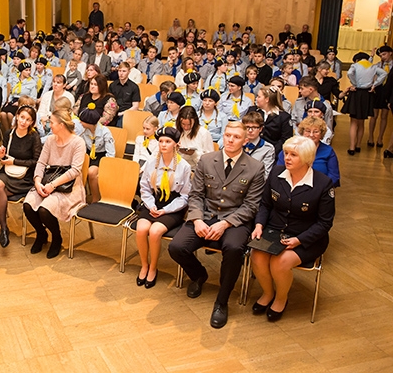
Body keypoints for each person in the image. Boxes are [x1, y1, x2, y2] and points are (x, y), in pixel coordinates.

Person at [168, 122, 266, 328]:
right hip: (205, 215)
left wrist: (225, 224)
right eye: (227, 135)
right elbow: (196, 195)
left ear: (245, 141)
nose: (230, 140)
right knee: (176, 247)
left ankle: (222, 300)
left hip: (235, 220)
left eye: (236, 137)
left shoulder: (255, 167)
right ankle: (198, 275)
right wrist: (197, 220)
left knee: (234, 249)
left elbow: (251, 206)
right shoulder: (206, 160)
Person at [250, 136, 335, 322]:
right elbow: (265, 204)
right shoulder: (276, 173)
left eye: (293, 155)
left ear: (306, 158)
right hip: (275, 230)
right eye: (286, 153)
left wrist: (299, 240)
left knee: (280, 262)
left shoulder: (323, 184)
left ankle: (281, 299)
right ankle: (268, 293)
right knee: (257, 256)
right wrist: (259, 225)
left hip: (306, 236)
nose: (287, 158)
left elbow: (325, 223)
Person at [24, 108, 87, 258]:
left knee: (44, 209)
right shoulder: (51, 140)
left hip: (69, 187)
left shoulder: (78, 142)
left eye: (51, 122)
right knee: (28, 205)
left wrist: (53, 185)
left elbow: (74, 171)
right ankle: (41, 233)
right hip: (48, 181)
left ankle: (56, 237)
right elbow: (41, 163)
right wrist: (37, 181)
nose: (48, 125)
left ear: (61, 125)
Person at [0, 106, 42, 249]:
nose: (24, 122)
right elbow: (5, 158)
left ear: (32, 122)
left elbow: (36, 162)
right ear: (17, 116)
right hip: (7, 172)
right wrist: (1, 156)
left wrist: (15, 161)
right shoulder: (9, 134)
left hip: (25, 177)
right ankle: (3, 229)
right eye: (22, 117)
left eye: (28, 120)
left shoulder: (34, 137)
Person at [135, 127, 192, 288]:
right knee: (141, 229)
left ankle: (153, 268)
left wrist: (166, 210)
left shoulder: (184, 166)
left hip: (173, 206)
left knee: (154, 232)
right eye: (161, 141)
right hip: (154, 202)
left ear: (176, 144)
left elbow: (185, 196)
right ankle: (144, 265)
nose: (163, 145)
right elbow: (145, 188)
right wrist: (151, 205)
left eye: (168, 141)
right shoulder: (152, 162)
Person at [341, 51, 388, 155]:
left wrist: (354, 83)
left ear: (357, 60)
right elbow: (384, 73)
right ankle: (358, 145)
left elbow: (349, 73)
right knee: (361, 122)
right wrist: (375, 84)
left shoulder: (355, 65)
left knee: (353, 122)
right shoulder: (373, 66)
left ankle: (352, 147)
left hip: (356, 92)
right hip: (367, 94)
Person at [277, 117, 340, 187]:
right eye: (308, 131)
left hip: (320, 188)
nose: (311, 135)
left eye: (316, 132)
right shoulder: (290, 148)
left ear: (321, 134)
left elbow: (334, 176)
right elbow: (279, 170)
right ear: (302, 132)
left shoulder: (328, 151)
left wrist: (319, 189)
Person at [75, 105, 116, 203]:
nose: (80, 123)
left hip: (101, 156)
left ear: (89, 123)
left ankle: (95, 199)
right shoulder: (83, 130)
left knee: (92, 172)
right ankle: (79, 198)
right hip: (87, 154)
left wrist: (107, 166)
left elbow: (111, 153)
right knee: (76, 169)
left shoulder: (105, 132)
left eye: (82, 121)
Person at [246, 85, 293, 155]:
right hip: (250, 149)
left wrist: (272, 151)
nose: (256, 99)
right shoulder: (252, 111)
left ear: (267, 99)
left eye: (259, 97)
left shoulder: (283, 117)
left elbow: (285, 139)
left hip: (273, 152)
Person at [368, 46, 393, 148]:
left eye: (384, 54)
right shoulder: (378, 65)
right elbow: (368, 69)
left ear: (390, 53)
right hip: (377, 91)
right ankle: (370, 137)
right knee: (374, 115)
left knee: (384, 116)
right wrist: (371, 57)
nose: (383, 57)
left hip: (388, 92)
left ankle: (380, 138)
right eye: (381, 55)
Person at [176, 106, 215, 171]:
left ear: (195, 121)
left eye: (189, 124)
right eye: (183, 124)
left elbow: (209, 161)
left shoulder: (203, 133)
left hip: (197, 169)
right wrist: (175, 149)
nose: (186, 127)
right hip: (178, 168)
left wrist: (194, 154)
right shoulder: (175, 130)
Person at [241, 111, 276, 179]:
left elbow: (265, 174)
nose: (250, 130)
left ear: (260, 129)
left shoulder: (268, 148)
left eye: (254, 127)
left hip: (255, 182)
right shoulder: (237, 144)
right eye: (247, 127)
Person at [109, 62, 141, 126]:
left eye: (124, 71)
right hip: (113, 112)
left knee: (120, 124)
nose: (121, 73)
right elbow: (108, 101)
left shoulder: (134, 87)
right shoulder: (112, 85)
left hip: (127, 114)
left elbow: (135, 106)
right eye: (119, 71)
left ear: (129, 72)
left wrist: (122, 113)